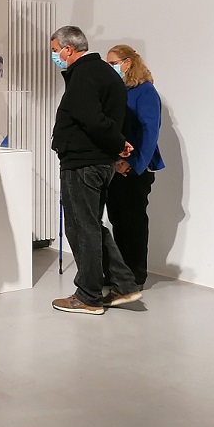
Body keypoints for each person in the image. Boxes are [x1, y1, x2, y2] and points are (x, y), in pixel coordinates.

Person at [49, 26, 141, 315]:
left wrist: (117, 143)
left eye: (55, 51)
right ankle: (124, 285)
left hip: (83, 163)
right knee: (91, 225)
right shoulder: (104, 73)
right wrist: (118, 144)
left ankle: (88, 296)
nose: (55, 56)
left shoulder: (85, 75)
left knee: (80, 228)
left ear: (69, 49)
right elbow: (107, 118)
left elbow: (92, 119)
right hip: (99, 161)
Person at [105, 45, 165, 288]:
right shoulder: (117, 90)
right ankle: (120, 273)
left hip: (135, 168)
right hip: (115, 166)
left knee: (134, 222)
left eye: (113, 63)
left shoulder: (146, 91)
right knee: (117, 220)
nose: (110, 68)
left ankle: (136, 275)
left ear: (128, 63)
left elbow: (150, 132)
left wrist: (132, 163)